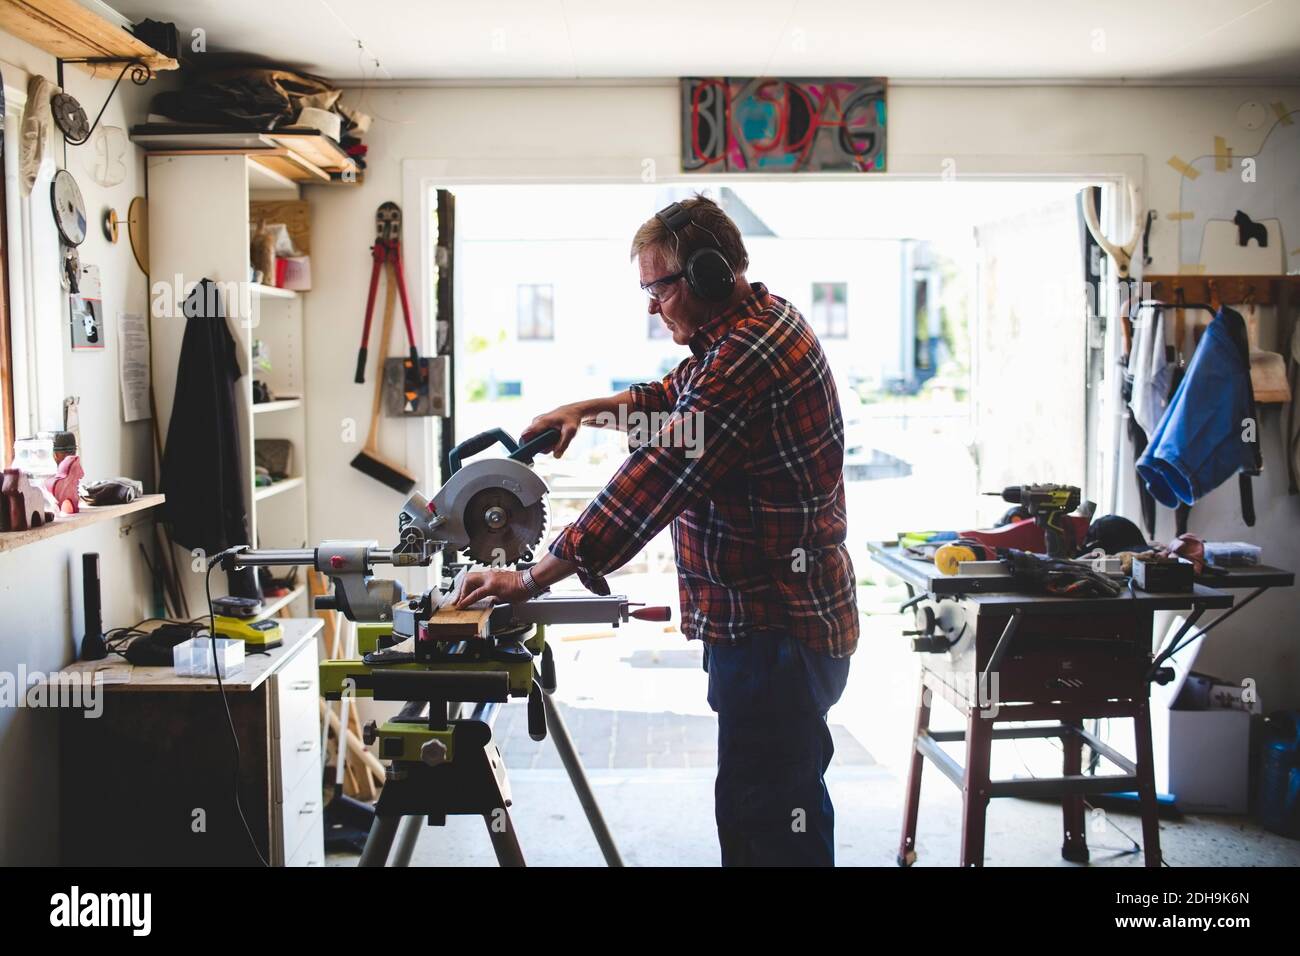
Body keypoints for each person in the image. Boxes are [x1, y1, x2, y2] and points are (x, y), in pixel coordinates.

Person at [456, 194, 859, 865]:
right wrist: (588, 411)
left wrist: (529, 577)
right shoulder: (756, 322)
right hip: (776, 627)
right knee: (772, 807)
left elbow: (654, 481)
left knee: (766, 824)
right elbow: (675, 402)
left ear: (705, 275)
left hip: (775, 631)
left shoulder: (744, 360)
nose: (651, 306)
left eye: (657, 289)